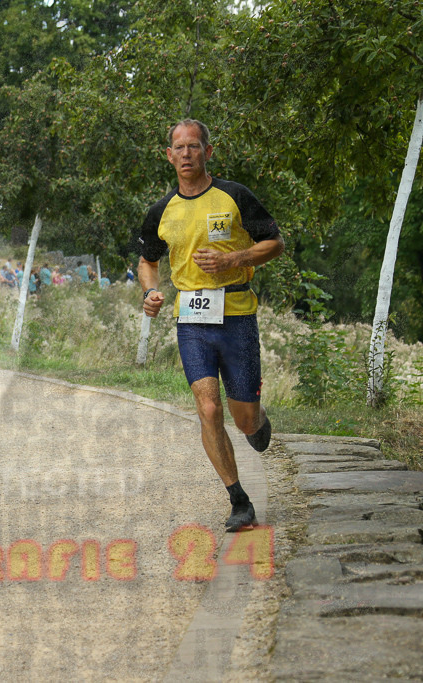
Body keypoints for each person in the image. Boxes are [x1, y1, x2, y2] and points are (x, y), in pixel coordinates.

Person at [137, 118, 284, 533]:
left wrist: (234, 259)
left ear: (207, 151)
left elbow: (275, 243)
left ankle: (256, 420)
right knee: (207, 408)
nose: (186, 154)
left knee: (243, 419)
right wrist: (150, 293)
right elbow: (148, 261)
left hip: (236, 314)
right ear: (169, 156)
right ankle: (238, 499)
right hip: (192, 321)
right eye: (179, 148)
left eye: (194, 147)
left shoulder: (235, 196)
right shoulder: (160, 211)